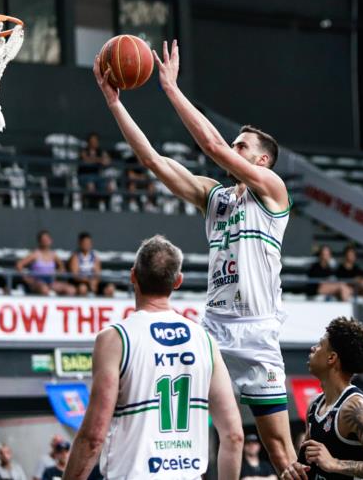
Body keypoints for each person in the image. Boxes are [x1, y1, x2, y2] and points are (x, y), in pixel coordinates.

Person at [94, 40, 296, 473]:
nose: (233, 149)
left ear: (263, 161)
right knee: (198, 429)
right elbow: (152, 160)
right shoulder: (214, 195)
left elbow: (214, 148)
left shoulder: (273, 193)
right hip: (215, 330)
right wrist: (114, 104)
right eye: (236, 145)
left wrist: (170, 87)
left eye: (242, 146)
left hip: (258, 331)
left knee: (280, 452)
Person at [62, 235, 243, 480]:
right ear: (177, 281)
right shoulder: (205, 340)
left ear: (133, 276)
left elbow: (94, 436)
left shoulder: (115, 339)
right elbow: (234, 436)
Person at [282, 317, 363, 479]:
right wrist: (294, 471)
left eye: (320, 345)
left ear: (331, 358)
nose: (313, 348)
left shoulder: (355, 408)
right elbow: (309, 464)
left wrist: (335, 464)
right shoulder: (315, 405)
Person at [16, 230, 76, 296]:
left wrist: (58, 272)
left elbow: (61, 266)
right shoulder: (35, 254)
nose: (46, 241)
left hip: (50, 282)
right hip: (37, 282)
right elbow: (19, 265)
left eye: (47, 239)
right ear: (39, 241)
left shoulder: (53, 255)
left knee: (71, 289)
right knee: (44, 289)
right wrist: (27, 279)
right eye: (43, 240)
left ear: (51, 240)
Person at [68, 232, 114, 297]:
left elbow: (98, 273)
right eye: (85, 243)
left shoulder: (95, 257)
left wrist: (95, 282)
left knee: (110, 288)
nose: (87, 245)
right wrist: (88, 281)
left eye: (88, 243)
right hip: (81, 282)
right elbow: (75, 276)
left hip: (92, 282)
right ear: (80, 243)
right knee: (82, 288)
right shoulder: (75, 257)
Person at [78, 132, 112, 208]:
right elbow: (86, 160)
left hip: (97, 176)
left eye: (96, 141)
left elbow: (107, 161)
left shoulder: (100, 151)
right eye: (92, 141)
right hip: (85, 176)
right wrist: (99, 160)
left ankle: (104, 205)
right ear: (89, 142)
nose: (94, 143)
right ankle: (91, 207)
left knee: (108, 186)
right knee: (91, 185)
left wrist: (96, 160)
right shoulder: (84, 150)